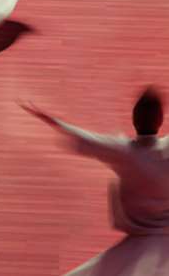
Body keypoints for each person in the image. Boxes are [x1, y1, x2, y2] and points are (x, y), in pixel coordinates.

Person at [20, 91, 169, 276]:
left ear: (134, 119)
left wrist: (52, 121)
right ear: (161, 119)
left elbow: (87, 139)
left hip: (137, 246)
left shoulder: (124, 152)